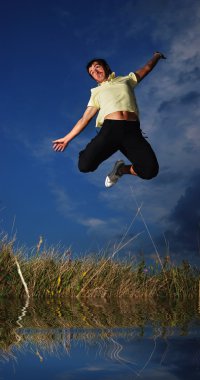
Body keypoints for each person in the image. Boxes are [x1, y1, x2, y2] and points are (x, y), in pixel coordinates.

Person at [52, 52, 166, 187]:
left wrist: (157, 56)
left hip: (132, 131)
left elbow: (146, 69)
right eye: (91, 72)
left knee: (150, 171)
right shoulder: (96, 92)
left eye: (97, 67)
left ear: (106, 67)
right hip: (110, 130)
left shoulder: (126, 80)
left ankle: (121, 169)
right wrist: (67, 138)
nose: (95, 71)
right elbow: (85, 118)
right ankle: (91, 151)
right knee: (84, 166)